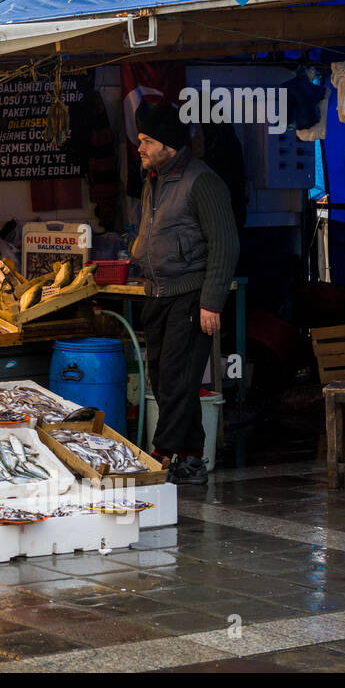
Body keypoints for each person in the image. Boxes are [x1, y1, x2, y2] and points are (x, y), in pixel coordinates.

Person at [131, 103, 240, 486]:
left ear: (170, 145)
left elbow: (225, 243)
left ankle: (162, 454)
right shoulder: (154, 179)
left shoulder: (201, 181)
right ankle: (192, 458)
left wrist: (211, 302)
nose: (140, 147)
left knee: (178, 378)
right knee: (163, 378)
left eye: (147, 141)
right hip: (157, 295)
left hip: (190, 296)